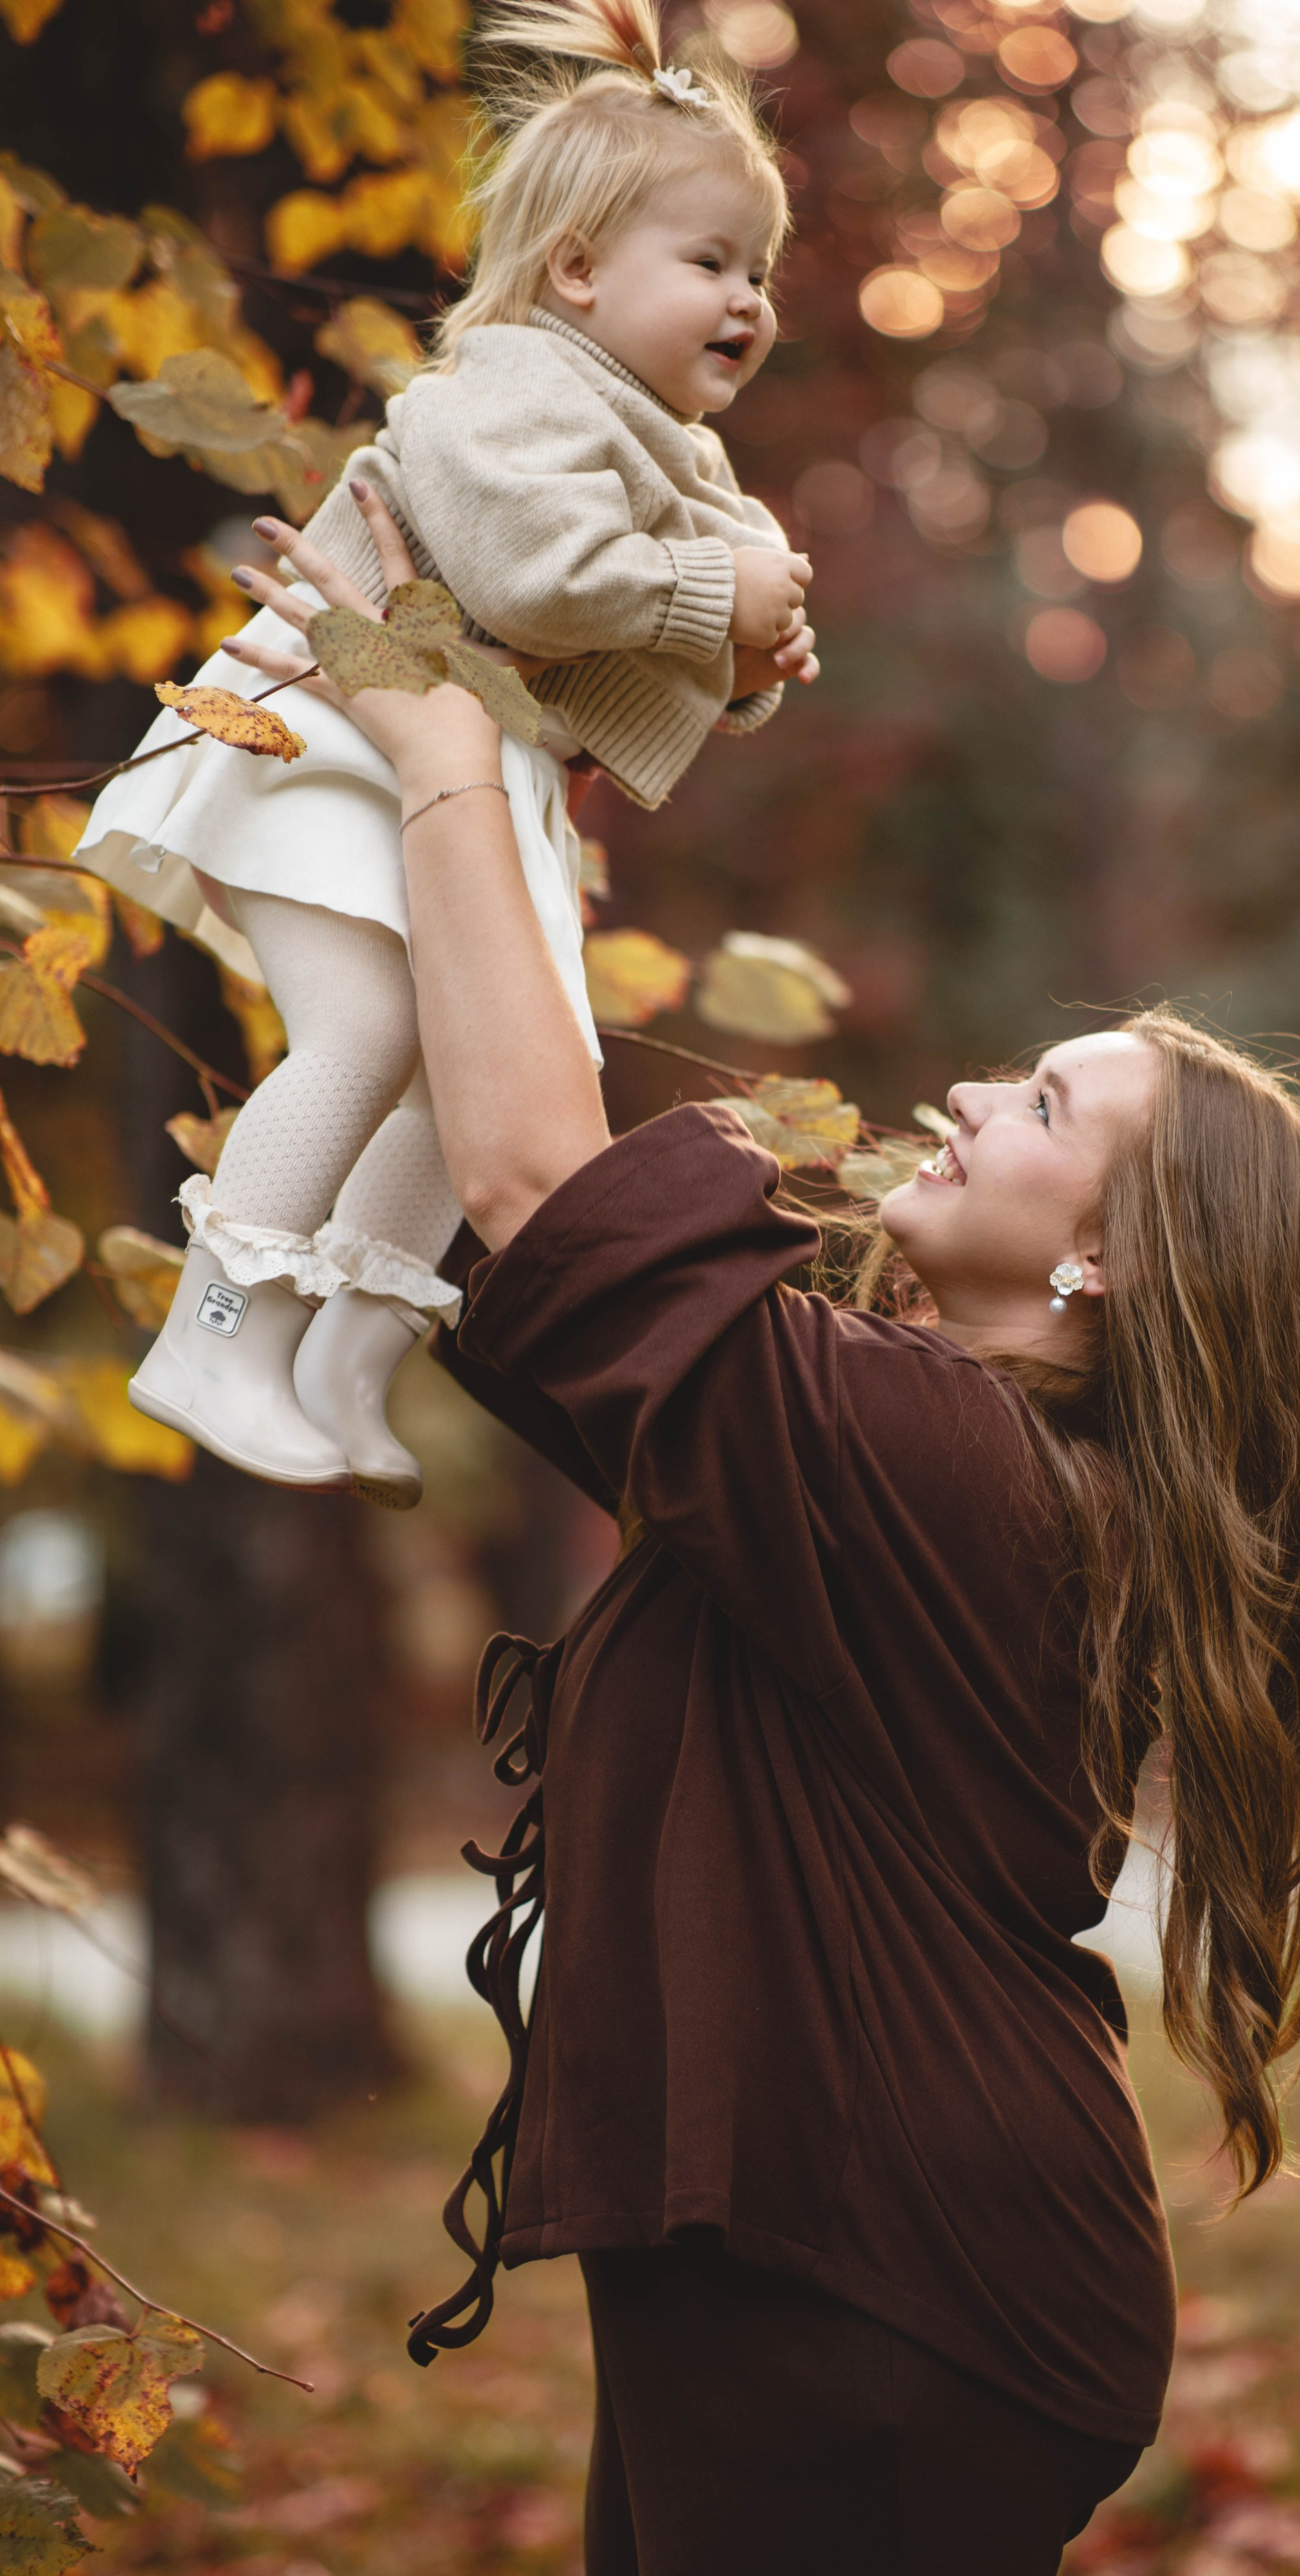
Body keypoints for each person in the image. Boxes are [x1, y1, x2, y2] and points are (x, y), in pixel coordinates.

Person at [219, 494, 1300, 2576]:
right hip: (836, 2265)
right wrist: (517, 733)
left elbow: (538, 1181)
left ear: (1107, 1257)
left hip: (883, 2294)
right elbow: (523, 1212)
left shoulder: (950, 1466)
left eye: (1039, 1101)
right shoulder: (890, 1450)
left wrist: (442, 729)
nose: (961, 1092)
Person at [80, 0, 813, 1509]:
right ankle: (214, 1335)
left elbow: (616, 653)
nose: (747, 299)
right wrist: (706, 594)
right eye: (711, 263)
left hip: (444, 765)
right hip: (333, 729)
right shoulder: (514, 386)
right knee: (361, 1032)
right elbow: (544, 578)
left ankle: (347, 1355)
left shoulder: (671, 442)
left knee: (475, 1074)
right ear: (577, 271)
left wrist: (741, 655)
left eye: (759, 270)